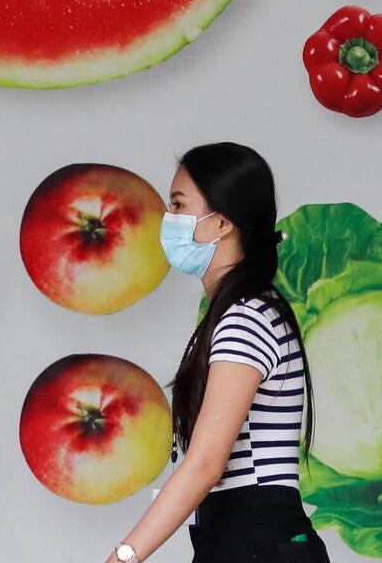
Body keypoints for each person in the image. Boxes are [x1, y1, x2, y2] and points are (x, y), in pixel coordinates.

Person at [106, 142, 330, 563]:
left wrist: (124, 557)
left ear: (222, 221)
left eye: (177, 204)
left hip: (259, 543)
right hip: (240, 542)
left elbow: (206, 463)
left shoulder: (246, 318)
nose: (167, 220)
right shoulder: (236, 315)